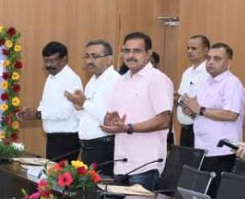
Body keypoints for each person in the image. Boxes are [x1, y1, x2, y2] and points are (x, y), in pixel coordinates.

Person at [102, 32, 173, 190]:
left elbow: (164, 120)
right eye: (127, 51)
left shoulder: (157, 79)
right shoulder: (121, 80)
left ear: (148, 54)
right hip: (121, 161)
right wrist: (111, 122)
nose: (130, 56)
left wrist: (129, 127)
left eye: (137, 51)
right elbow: (111, 116)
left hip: (146, 164)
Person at [180, 43, 245, 196]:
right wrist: (191, 110)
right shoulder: (207, 83)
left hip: (222, 151)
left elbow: (231, 114)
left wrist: (200, 110)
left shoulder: (232, 83)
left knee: (214, 197)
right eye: (209, 58)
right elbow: (200, 111)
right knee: (202, 196)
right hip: (203, 149)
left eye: (217, 59)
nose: (210, 62)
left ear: (228, 63)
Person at [20, 41, 83, 161]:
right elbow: (45, 103)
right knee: (51, 171)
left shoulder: (71, 79)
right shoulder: (51, 77)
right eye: (46, 61)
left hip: (66, 139)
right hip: (54, 138)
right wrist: (31, 114)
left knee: (59, 172)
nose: (48, 65)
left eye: (53, 60)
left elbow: (65, 112)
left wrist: (38, 114)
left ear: (64, 59)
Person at [65, 39, 120, 176]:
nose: (89, 61)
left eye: (95, 56)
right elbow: (89, 114)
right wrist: (79, 108)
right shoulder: (93, 80)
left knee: (99, 186)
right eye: (87, 56)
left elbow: (108, 119)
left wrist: (84, 103)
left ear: (109, 59)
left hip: (104, 146)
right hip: (89, 146)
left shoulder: (114, 80)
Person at [174, 35, 211, 148]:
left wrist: (189, 105)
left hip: (201, 129)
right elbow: (181, 97)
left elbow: (208, 101)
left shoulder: (209, 73)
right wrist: (178, 99)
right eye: (188, 48)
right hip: (185, 129)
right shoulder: (187, 72)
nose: (189, 51)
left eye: (194, 48)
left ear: (206, 50)